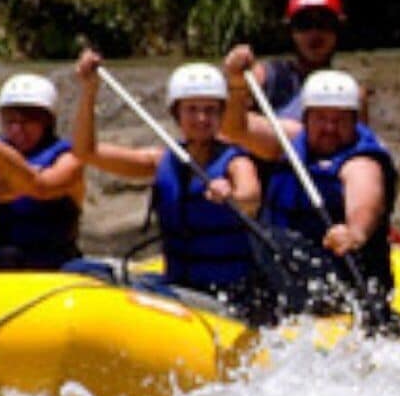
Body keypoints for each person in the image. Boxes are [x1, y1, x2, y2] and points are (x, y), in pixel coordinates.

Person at [68, 48, 267, 313]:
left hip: (226, 298)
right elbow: (85, 152)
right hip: (178, 285)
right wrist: (89, 90)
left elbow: (250, 197)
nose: (201, 119)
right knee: (79, 270)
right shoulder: (162, 160)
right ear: (176, 114)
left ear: (221, 114)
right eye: (192, 110)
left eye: (210, 110)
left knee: (141, 294)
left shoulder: (235, 163)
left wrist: (231, 195)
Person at [222, 50, 398, 327]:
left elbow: (365, 201)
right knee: (254, 236)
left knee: (267, 240)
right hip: (289, 270)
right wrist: (236, 85)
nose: (329, 128)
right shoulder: (289, 139)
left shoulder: (361, 162)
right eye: (321, 118)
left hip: (341, 279)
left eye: (339, 120)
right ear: (306, 118)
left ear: (355, 121)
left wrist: (354, 233)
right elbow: (235, 130)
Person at [0, 73, 87, 272]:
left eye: (27, 121)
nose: (17, 129)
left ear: (47, 122)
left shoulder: (68, 160)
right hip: (5, 271)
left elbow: (38, 186)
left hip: (56, 269)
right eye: (10, 121)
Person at [253, 0, 347, 120]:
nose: (315, 34)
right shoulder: (265, 78)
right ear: (290, 32)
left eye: (325, 23)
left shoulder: (349, 91)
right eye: (304, 24)